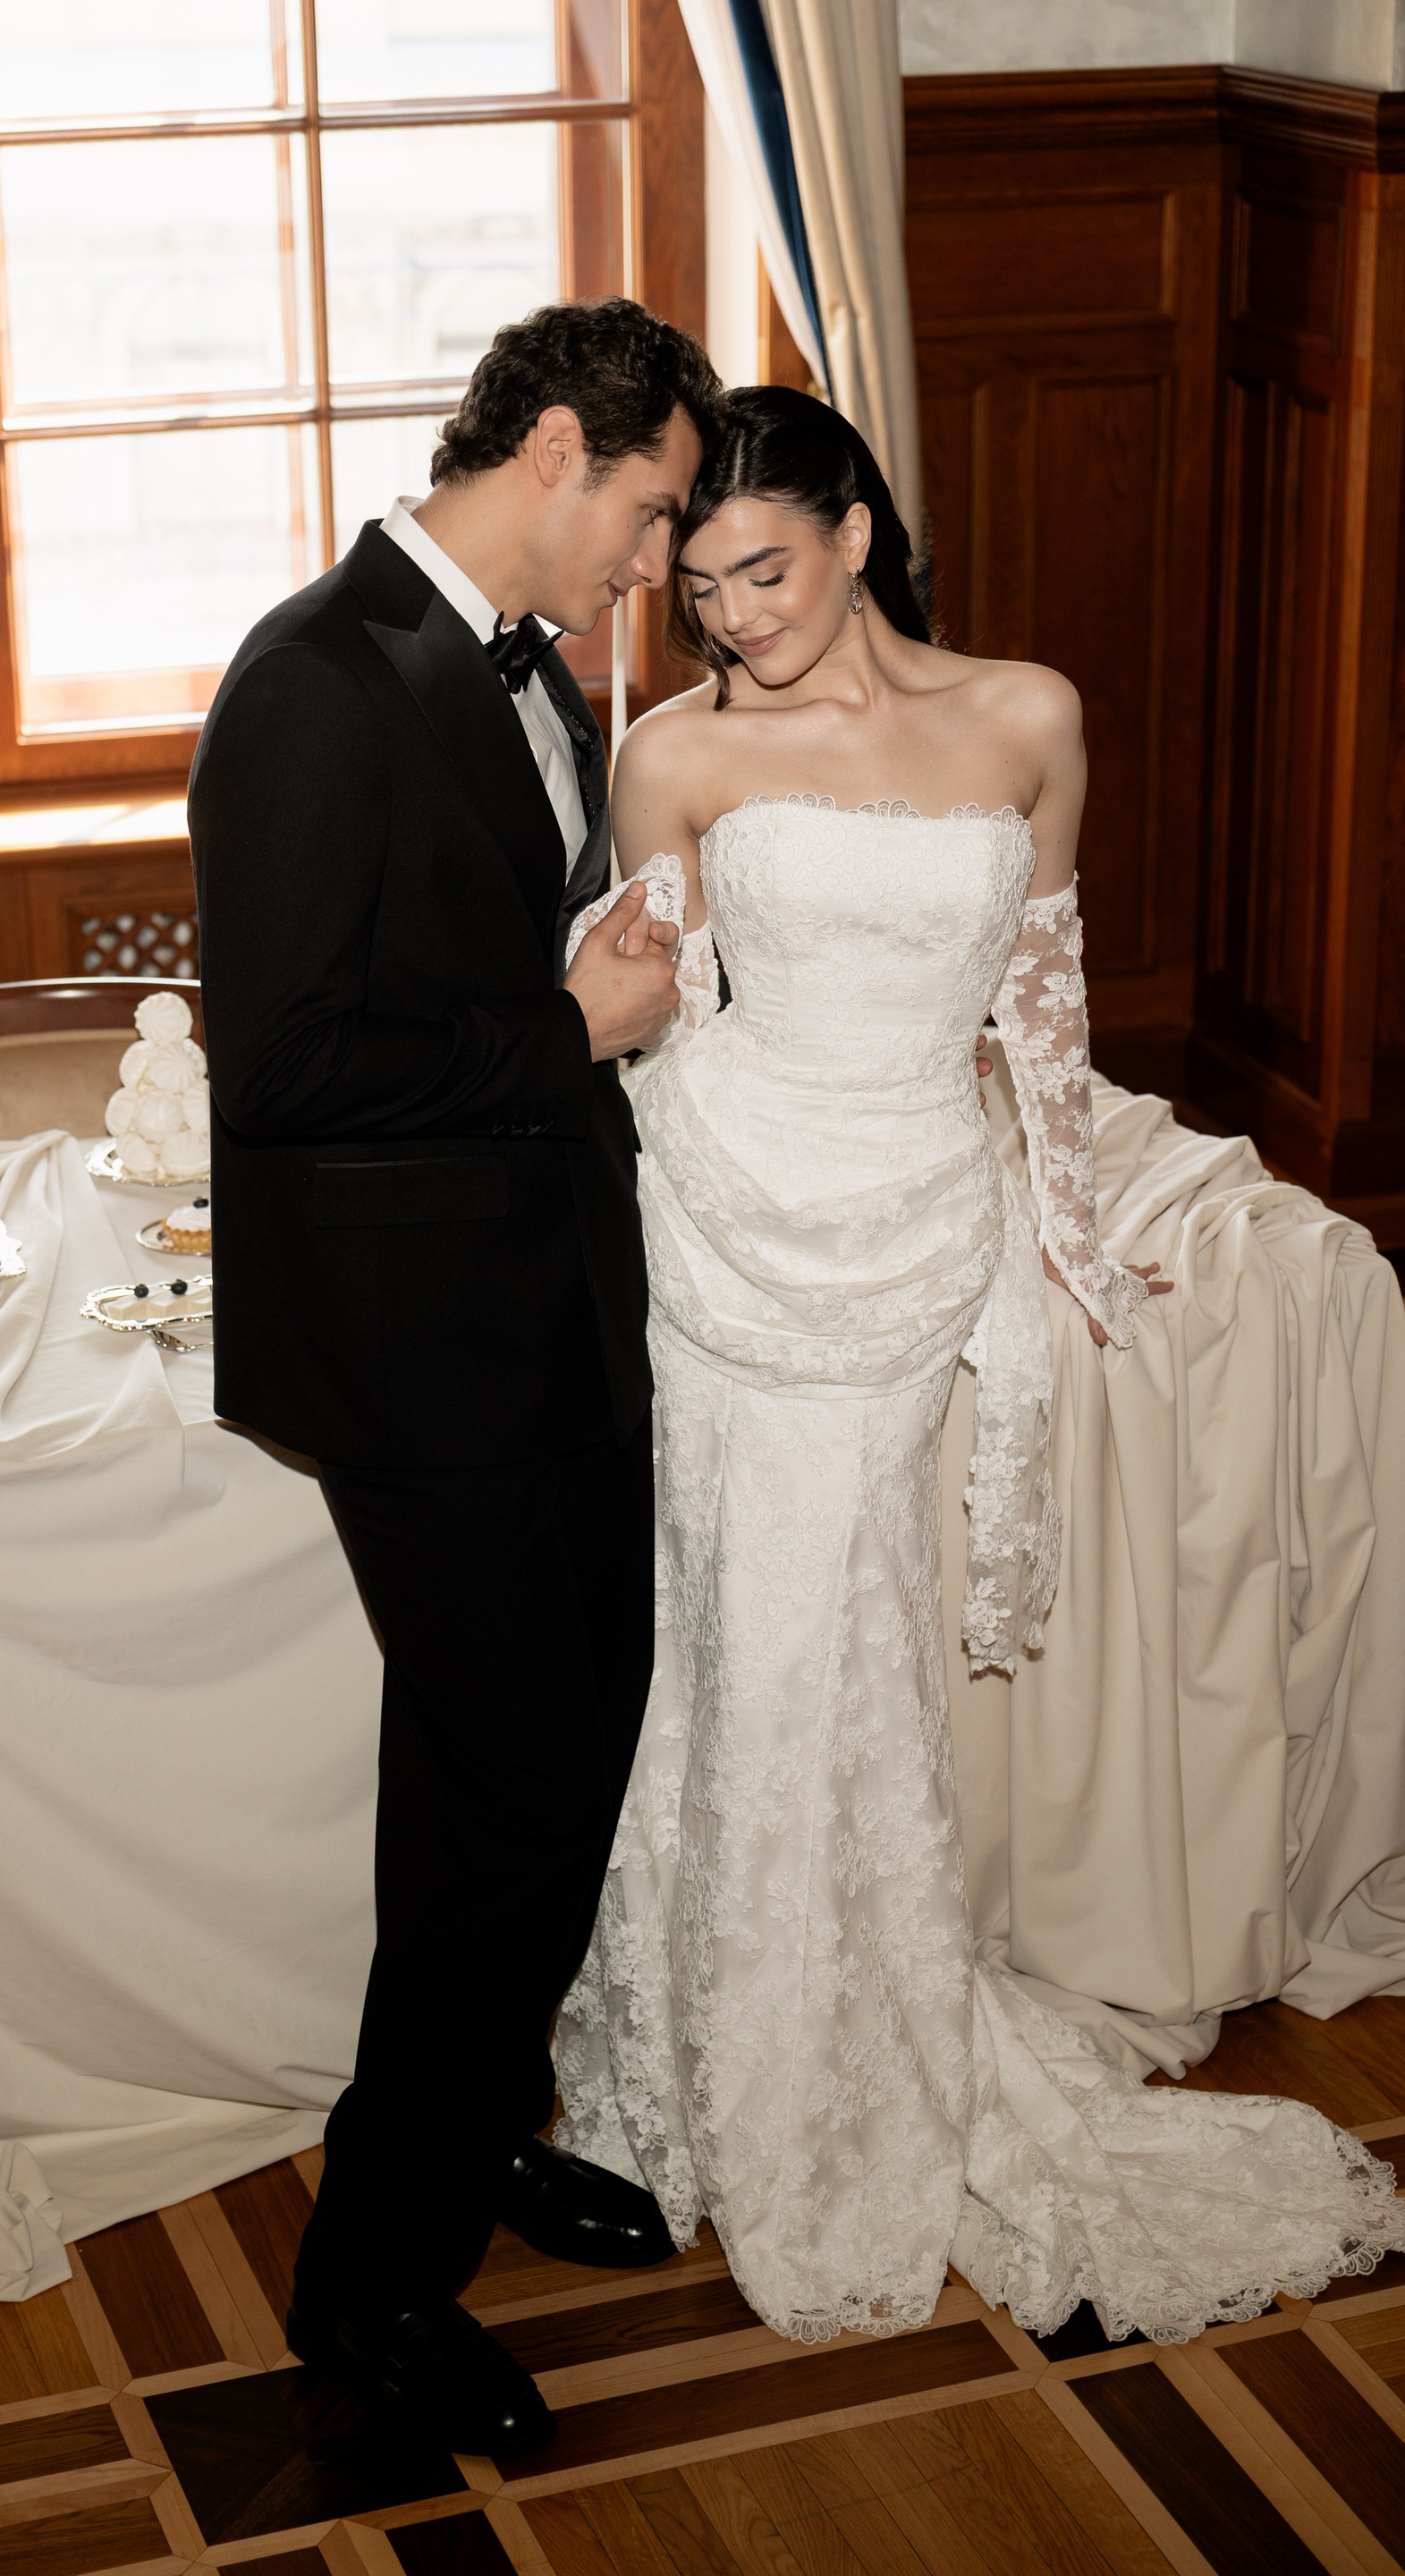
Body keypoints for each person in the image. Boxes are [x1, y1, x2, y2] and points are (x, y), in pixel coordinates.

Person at [554, 385, 1405, 2345]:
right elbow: (649, 1004)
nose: (736, 619)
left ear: (856, 529)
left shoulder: (1028, 715)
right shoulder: (676, 755)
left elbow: (1042, 996)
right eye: (701, 591)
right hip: (730, 1231)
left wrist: (1077, 1239)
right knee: (735, 1640)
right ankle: (703, 2042)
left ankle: (860, 2023)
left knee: (853, 1642)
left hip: (915, 1230)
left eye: (766, 572)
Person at [189, 299, 725, 2455]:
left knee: (559, 1759)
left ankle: (487, 2117)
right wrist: (564, 1030)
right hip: (422, 1358)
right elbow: (284, 1065)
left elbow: (462, 955)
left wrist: (580, 971)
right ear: (562, 452)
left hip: (553, 1305)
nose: (661, 563)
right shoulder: (313, 686)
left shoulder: (537, 667)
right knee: (503, 1800)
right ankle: (372, 2288)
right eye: (655, 511)